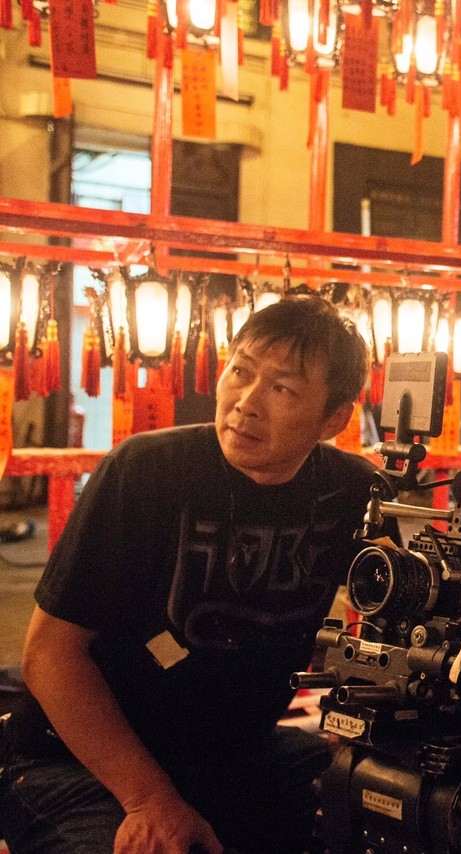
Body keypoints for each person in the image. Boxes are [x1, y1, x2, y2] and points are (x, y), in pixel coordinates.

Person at [0, 297, 389, 854]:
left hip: (233, 756)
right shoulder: (146, 472)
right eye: (241, 371)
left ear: (334, 419)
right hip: (79, 762)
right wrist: (149, 800)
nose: (245, 404)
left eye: (282, 388)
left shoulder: (353, 492)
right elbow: (49, 654)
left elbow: (403, 617)